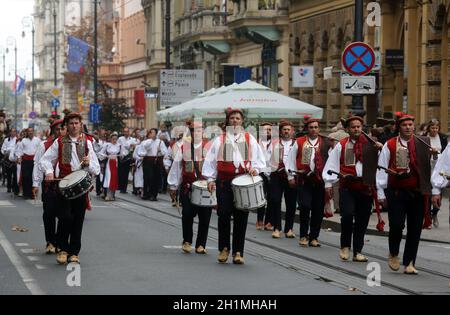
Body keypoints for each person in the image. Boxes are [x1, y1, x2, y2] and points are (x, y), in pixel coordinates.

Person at [203, 108, 266, 264]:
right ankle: (224, 249)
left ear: (242, 121)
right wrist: (210, 179)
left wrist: (255, 169)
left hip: (243, 182)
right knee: (223, 215)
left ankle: (238, 252)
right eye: (232, 118)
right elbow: (210, 161)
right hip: (224, 183)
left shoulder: (249, 138)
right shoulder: (220, 140)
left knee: (241, 218)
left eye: (238, 118)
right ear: (228, 121)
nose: (235, 121)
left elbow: (260, 160)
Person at [377, 113, 437, 274]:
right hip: (396, 192)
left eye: (411, 124)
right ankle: (394, 252)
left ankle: (410, 262)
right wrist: (381, 193)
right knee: (396, 224)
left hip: (417, 192)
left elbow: (432, 167)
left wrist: (434, 156)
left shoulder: (423, 143)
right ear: (398, 127)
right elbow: (382, 170)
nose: (408, 127)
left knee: (415, 228)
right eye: (405, 125)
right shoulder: (389, 145)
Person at [40, 112, 100, 265]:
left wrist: (88, 164)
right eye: (71, 123)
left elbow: (96, 168)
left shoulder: (87, 143)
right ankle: (62, 249)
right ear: (67, 126)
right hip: (63, 186)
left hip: (80, 187)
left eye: (76, 123)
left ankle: (73, 252)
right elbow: (45, 160)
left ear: (81, 125)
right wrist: (49, 172)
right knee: (65, 217)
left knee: (78, 219)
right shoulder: (59, 142)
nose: (74, 126)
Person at [323, 115, 381, 262]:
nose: (356, 129)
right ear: (348, 129)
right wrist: (328, 183)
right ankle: (345, 246)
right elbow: (332, 164)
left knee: (362, 220)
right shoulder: (341, 145)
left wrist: (380, 149)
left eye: (359, 126)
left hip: (365, 186)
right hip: (347, 187)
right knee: (347, 215)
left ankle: (358, 251)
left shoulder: (371, 144)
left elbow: (381, 162)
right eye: (353, 127)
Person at [168, 121, 212, 254]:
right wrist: (173, 185)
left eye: (198, 130)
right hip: (188, 187)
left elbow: (215, 166)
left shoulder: (209, 147)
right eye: (193, 130)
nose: (196, 133)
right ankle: (187, 240)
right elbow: (177, 167)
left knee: (205, 217)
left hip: (205, 187)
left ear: (203, 132)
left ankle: (201, 244)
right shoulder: (183, 148)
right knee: (187, 214)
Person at [287, 117, 330, 246]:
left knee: (318, 209)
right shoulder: (299, 142)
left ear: (319, 128)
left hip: (319, 181)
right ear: (307, 129)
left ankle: (314, 237)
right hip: (304, 180)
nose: (314, 130)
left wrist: (328, 181)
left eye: (316, 127)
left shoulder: (325, 143)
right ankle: (304, 234)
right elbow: (291, 159)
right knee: (305, 206)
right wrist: (290, 176)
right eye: (311, 127)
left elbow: (331, 160)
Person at [32, 119, 66, 254]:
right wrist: (35, 183)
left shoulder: (69, 144)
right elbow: (37, 164)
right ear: (53, 130)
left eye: (62, 129)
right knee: (49, 213)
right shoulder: (44, 145)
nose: (60, 131)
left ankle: (59, 241)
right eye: (57, 129)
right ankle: (50, 241)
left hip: (64, 185)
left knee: (64, 215)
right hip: (49, 185)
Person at [268, 120, 297, 239]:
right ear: (280, 131)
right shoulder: (274, 143)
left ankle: (289, 228)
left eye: (288, 129)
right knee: (275, 200)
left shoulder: (297, 143)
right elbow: (268, 158)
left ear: (292, 131)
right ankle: (277, 227)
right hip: (277, 175)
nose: (286, 131)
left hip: (292, 176)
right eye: (284, 129)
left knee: (291, 203)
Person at [424, 119, 448, 228]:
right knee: (428, 194)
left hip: (439, 170)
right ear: (429, 128)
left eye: (436, 128)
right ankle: (427, 216)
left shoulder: (443, 137)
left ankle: (435, 214)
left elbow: (446, 154)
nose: (435, 130)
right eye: (433, 127)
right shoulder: (424, 137)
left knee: (438, 194)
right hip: (427, 168)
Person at [138, 128, 168, 201]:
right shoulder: (145, 142)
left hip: (157, 160)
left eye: (154, 133)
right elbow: (140, 152)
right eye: (151, 133)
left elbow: (165, 152)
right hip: (148, 160)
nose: (153, 134)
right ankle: (146, 193)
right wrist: (146, 151)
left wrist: (160, 150)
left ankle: (153, 195)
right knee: (147, 177)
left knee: (155, 178)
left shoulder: (160, 142)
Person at [256, 122, 274, 231]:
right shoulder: (257, 143)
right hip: (261, 173)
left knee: (272, 198)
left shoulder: (276, 143)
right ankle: (259, 220)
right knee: (261, 198)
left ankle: (269, 221)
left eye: (269, 130)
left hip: (272, 172)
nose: (267, 132)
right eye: (264, 130)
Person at [16, 128, 41, 199]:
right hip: (25, 160)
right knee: (26, 177)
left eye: (31, 131)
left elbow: (40, 150)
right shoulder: (23, 140)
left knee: (33, 177)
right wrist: (18, 157)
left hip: (34, 160)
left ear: (33, 132)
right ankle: (26, 194)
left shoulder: (38, 140)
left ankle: (32, 194)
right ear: (27, 132)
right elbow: (20, 150)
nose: (30, 133)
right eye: (29, 131)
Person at [99, 132, 123, 201]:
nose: (114, 140)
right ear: (110, 139)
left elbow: (122, 154)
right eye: (113, 139)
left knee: (114, 178)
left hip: (115, 163)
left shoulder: (119, 145)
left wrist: (121, 155)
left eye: (116, 139)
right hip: (109, 163)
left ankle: (112, 195)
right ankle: (107, 194)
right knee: (108, 177)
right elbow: (101, 153)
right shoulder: (107, 145)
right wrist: (106, 156)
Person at [118, 128, 139, 193]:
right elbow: (118, 146)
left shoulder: (131, 139)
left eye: (127, 132)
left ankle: (124, 188)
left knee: (126, 173)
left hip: (127, 158)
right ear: (123, 132)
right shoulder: (120, 139)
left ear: (129, 132)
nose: (126, 133)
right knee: (121, 173)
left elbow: (136, 145)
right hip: (121, 157)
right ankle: (120, 187)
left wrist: (133, 145)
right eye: (125, 132)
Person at [1, 128, 17, 193]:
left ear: (15, 133)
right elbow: (2, 149)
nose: (13, 133)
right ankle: (9, 187)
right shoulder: (6, 140)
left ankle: (14, 187)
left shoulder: (17, 139)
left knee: (15, 174)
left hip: (15, 159)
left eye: (14, 132)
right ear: (10, 133)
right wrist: (6, 152)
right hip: (7, 158)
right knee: (9, 174)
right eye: (12, 132)